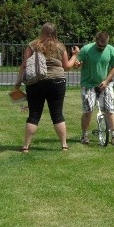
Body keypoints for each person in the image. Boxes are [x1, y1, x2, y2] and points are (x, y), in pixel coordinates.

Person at [14, 22, 81, 152]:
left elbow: (24, 64)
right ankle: (64, 145)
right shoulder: (60, 47)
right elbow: (67, 67)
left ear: (42, 32)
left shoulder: (33, 45)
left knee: (34, 114)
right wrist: (75, 55)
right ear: (55, 33)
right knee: (57, 114)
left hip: (36, 82)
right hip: (57, 82)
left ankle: (26, 146)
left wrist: (18, 82)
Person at [77, 31, 114, 146]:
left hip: (105, 83)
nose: (101, 48)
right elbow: (78, 61)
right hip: (88, 84)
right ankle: (84, 135)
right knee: (88, 110)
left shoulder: (111, 50)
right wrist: (78, 63)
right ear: (96, 41)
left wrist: (106, 81)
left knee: (109, 109)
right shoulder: (86, 49)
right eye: (99, 45)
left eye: (104, 46)